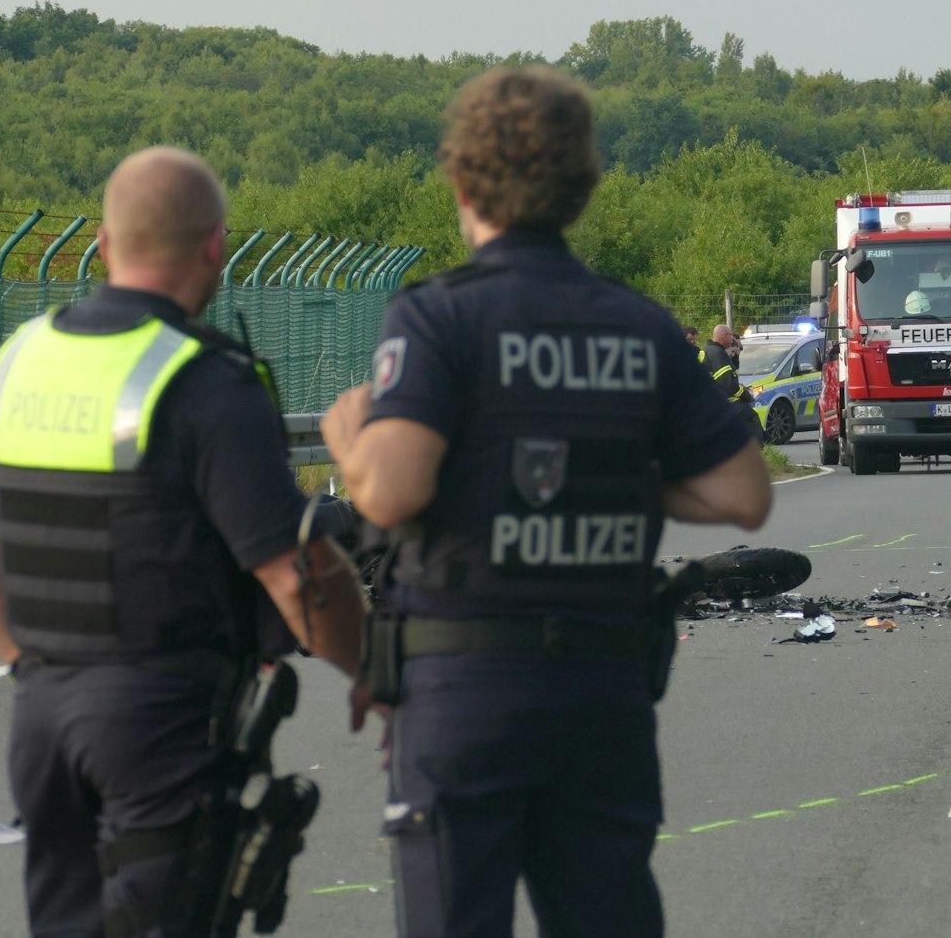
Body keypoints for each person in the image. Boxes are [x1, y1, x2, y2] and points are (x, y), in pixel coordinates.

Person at [322, 66, 772, 938]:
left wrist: (349, 438)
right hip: (602, 693)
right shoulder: (638, 326)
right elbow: (742, 491)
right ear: (585, 184)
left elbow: (393, 486)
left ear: (460, 181)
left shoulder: (437, 317)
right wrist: (609, 463)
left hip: (463, 693)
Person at [0, 146, 367, 938]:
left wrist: (19, 653)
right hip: (162, 722)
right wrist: (379, 673)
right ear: (216, 245)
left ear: (100, 243)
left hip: (43, 718)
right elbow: (295, 573)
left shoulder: (14, 361)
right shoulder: (209, 383)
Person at [702, 323, 763, 443]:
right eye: (731, 336)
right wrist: (747, 395)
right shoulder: (718, 354)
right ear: (724, 336)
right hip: (722, 402)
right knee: (751, 419)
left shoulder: (708, 350)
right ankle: (756, 454)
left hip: (710, 402)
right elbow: (728, 383)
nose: (732, 340)